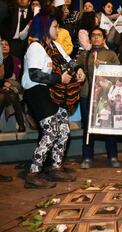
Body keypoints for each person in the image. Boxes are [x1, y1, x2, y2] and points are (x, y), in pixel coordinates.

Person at [22, 13, 85, 188]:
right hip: (37, 92)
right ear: (44, 28)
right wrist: (59, 79)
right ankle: (33, 172)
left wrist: (78, 69)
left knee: (64, 130)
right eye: (55, 26)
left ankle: (55, 167)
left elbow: (68, 62)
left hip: (53, 91)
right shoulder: (36, 47)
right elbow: (35, 74)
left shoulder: (55, 45)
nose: (58, 29)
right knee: (50, 132)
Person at [77, 27, 121, 169]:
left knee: (108, 124)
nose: (96, 38)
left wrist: (105, 66)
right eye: (93, 35)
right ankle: (87, 157)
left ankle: (113, 156)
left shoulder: (111, 54)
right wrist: (78, 72)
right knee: (88, 128)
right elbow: (76, 70)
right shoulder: (84, 54)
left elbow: (119, 73)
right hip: (87, 95)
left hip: (105, 97)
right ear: (90, 38)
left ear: (104, 38)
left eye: (99, 35)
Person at [0, 38, 25, 132]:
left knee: (12, 95)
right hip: (2, 87)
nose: (5, 46)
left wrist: (8, 84)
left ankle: (21, 125)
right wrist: (3, 83)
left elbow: (19, 78)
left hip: (13, 87)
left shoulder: (15, 60)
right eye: (2, 44)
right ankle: (21, 125)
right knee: (3, 96)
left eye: (7, 44)